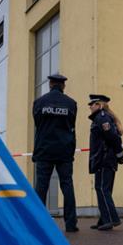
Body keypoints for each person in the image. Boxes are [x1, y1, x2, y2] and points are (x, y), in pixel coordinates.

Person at [32, 73, 79, 232]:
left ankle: (38, 224)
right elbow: (71, 126)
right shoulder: (71, 104)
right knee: (67, 185)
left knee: (41, 187)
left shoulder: (39, 102)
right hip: (64, 150)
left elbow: (38, 124)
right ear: (63, 86)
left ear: (50, 84)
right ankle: (71, 224)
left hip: (44, 150)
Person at [88, 94, 123, 231]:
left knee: (103, 189)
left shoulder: (102, 117)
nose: (90, 107)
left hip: (104, 159)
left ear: (99, 105)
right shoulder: (100, 117)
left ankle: (111, 219)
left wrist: (119, 155)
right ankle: (103, 219)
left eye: (92, 104)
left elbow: (113, 138)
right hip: (104, 158)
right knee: (103, 189)